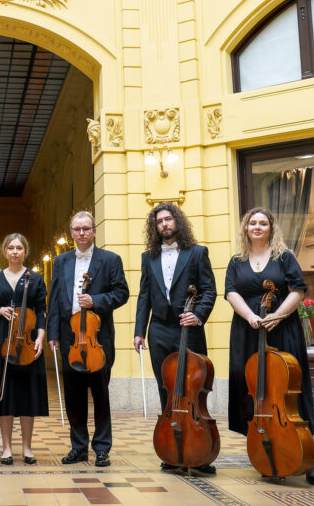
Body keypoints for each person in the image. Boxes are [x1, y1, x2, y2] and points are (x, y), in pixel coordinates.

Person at [225, 208, 314, 485]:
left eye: (263, 223)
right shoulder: (236, 261)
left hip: (282, 327)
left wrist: (277, 315)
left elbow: (297, 289)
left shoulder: (284, 257)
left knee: (290, 389)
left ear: (271, 228)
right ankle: (265, 451)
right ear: (246, 228)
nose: (257, 227)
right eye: (252, 223)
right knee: (251, 389)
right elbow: (231, 292)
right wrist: (250, 316)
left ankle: (308, 456)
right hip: (247, 329)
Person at [132, 202, 218, 473]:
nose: (164, 224)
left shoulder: (197, 253)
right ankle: (170, 450)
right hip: (158, 329)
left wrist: (198, 315)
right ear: (155, 227)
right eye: (159, 221)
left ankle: (199, 449)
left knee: (194, 386)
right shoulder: (148, 258)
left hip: (188, 328)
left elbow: (209, 290)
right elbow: (144, 296)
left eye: (168, 219)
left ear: (177, 221)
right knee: (165, 388)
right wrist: (139, 331)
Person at [46, 211, 128, 468]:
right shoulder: (61, 261)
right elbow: (54, 297)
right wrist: (53, 333)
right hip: (69, 336)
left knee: (100, 394)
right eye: (77, 229)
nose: (81, 233)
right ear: (71, 233)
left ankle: (102, 448)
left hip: (98, 338)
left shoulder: (111, 260)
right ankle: (78, 447)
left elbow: (122, 293)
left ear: (94, 231)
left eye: (85, 228)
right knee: (74, 395)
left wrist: (96, 300)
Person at [0, 233, 48, 465]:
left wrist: (40, 336)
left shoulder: (35, 278)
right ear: (5, 251)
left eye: (19, 248)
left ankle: (27, 448)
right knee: (4, 394)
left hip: (28, 339)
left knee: (28, 394)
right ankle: (6, 447)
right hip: (2, 338)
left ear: (25, 251)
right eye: (11, 248)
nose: (15, 252)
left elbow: (41, 310)